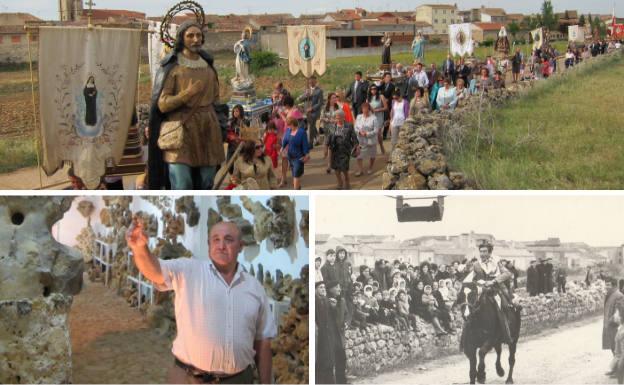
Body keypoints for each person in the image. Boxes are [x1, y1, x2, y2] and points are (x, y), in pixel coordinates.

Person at [126, 220, 276, 384]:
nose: (221, 246)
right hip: (189, 379)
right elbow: (155, 271)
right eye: (216, 239)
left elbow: (263, 344)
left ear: (241, 246)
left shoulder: (255, 288)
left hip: (239, 380)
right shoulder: (188, 270)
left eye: (228, 240)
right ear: (208, 244)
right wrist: (140, 248)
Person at [148, 21, 226, 190]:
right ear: (182, 39)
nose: (195, 39)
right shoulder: (173, 68)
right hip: (181, 129)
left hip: (207, 129)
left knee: (207, 181)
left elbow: (216, 101)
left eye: (198, 35)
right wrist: (186, 94)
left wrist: (223, 126)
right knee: (182, 183)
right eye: (190, 35)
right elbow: (162, 105)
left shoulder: (209, 68)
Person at [465, 241, 515, 344]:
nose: (482, 254)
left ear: (490, 252)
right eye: (481, 251)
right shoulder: (476, 265)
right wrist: (479, 283)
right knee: (469, 308)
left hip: (496, 289)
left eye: (485, 251)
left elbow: (507, 273)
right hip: (481, 290)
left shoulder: (496, 262)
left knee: (503, 307)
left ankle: (506, 334)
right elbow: (472, 279)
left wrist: (494, 281)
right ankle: (468, 337)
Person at [315, 281, 344, 384]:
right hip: (320, 336)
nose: (323, 289)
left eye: (323, 287)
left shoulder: (327, 301)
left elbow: (334, 318)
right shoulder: (315, 302)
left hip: (329, 336)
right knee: (321, 362)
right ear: (315, 290)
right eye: (320, 287)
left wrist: (334, 307)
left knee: (330, 362)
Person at [326, 109, 359, 190]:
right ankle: (340, 182)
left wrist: (356, 146)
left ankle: (347, 181)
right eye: (336, 118)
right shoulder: (332, 127)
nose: (338, 119)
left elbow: (354, 138)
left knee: (344, 168)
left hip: (345, 150)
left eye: (339, 118)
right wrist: (325, 147)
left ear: (343, 117)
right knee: (336, 169)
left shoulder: (349, 125)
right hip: (335, 150)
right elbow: (328, 139)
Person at [281, 116, 310, 190]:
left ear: (293, 124)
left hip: (299, 157)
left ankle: (295, 190)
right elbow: (285, 140)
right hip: (290, 157)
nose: (288, 126)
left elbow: (305, 144)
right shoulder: (288, 131)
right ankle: (298, 187)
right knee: (294, 174)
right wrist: (282, 147)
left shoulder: (301, 132)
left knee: (296, 175)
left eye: (289, 125)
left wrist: (307, 154)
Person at [296, 76, 324, 146]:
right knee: (312, 125)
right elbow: (300, 99)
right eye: (310, 81)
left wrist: (312, 108)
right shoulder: (306, 90)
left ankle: (310, 143)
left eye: (313, 81)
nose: (311, 82)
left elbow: (320, 103)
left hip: (314, 112)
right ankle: (317, 137)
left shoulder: (319, 91)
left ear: (315, 81)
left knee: (311, 126)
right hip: (306, 111)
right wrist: (306, 95)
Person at [354, 102, 378, 176]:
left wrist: (367, 134)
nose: (365, 111)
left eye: (366, 109)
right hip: (360, 140)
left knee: (372, 155)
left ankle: (370, 167)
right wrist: (359, 132)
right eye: (363, 109)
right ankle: (360, 170)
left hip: (371, 140)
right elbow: (355, 127)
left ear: (369, 109)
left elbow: (376, 130)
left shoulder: (374, 118)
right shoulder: (359, 117)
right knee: (359, 155)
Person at [605, 278, 624, 358]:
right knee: (614, 344)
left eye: (608, 285)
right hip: (610, 323)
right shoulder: (609, 295)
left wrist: (615, 319)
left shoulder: (619, 295)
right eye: (606, 284)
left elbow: (620, 309)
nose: (606, 287)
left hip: (615, 323)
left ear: (614, 285)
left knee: (617, 343)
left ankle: (619, 365)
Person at [226, 104, 248, 172]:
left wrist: (237, 138)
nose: (235, 113)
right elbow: (228, 132)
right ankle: (233, 178)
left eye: (237, 111)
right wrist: (230, 137)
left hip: (241, 145)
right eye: (234, 111)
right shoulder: (231, 121)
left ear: (241, 112)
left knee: (241, 165)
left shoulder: (245, 121)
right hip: (232, 145)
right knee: (229, 165)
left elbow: (247, 134)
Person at [367, 85, 388, 155]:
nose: (373, 90)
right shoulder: (368, 98)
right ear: (370, 90)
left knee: (378, 134)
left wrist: (377, 110)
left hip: (379, 117)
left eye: (375, 89)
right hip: (371, 117)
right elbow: (366, 108)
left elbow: (386, 107)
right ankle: (373, 149)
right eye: (372, 89)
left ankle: (381, 146)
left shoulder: (381, 96)